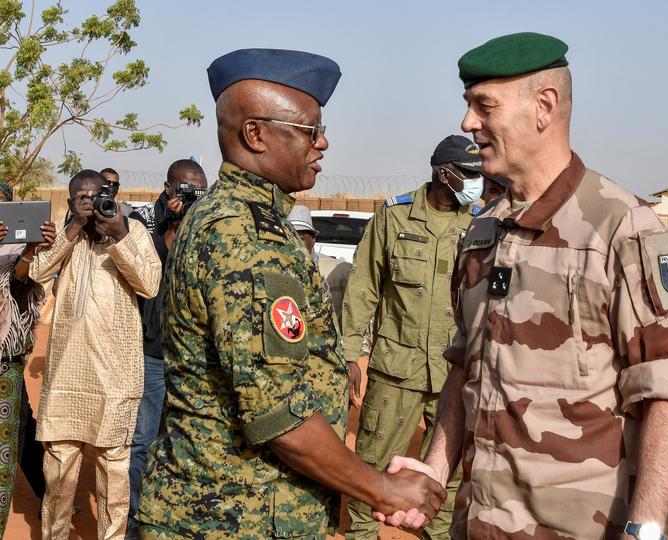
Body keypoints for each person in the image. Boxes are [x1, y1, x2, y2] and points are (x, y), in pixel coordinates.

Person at [379, 32, 668, 540]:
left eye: (483, 106)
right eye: (468, 106)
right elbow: (466, 366)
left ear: (544, 107)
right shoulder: (482, 233)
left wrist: (645, 528)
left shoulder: (622, 228)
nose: (469, 123)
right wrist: (437, 468)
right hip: (477, 525)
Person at [136, 48, 445, 539]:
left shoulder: (243, 218)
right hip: (232, 517)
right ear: (255, 133)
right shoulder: (245, 236)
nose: (323, 143)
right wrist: (384, 489)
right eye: (310, 130)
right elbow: (280, 416)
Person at [342, 134, 482, 540]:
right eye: (468, 174)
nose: (476, 183)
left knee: (451, 471)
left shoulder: (477, 224)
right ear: (444, 174)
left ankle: (437, 534)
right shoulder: (394, 217)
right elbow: (365, 285)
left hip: (452, 372)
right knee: (372, 462)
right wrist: (352, 352)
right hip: (396, 370)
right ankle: (363, 535)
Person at [28, 169, 161, 540]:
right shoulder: (61, 230)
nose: (91, 203)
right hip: (66, 379)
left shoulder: (131, 231)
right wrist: (71, 230)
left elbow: (150, 284)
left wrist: (118, 234)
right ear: (71, 203)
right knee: (57, 478)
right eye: (81, 198)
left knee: (113, 480)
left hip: (116, 380)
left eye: (96, 195)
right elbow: (38, 272)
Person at [125, 160, 208, 540]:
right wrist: (174, 225)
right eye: (186, 189)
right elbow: (148, 273)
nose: (192, 196)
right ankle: (134, 520)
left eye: (199, 190)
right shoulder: (145, 222)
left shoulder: (206, 224)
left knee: (185, 439)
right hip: (152, 350)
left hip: (191, 357)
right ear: (168, 187)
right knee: (143, 440)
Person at [0, 181, 54, 535]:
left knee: (7, 442)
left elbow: (21, 283)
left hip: (5, 361)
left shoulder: (19, 248)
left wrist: (32, 249)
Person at [288, 205, 352, 327]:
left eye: (301, 238)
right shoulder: (274, 268)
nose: (294, 243)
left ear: (313, 239)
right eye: (289, 237)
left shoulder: (337, 271)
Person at [131, 159, 203, 235]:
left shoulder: (205, 218)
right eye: (187, 191)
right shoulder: (142, 218)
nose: (193, 198)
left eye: (200, 192)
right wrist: (172, 228)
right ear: (168, 187)